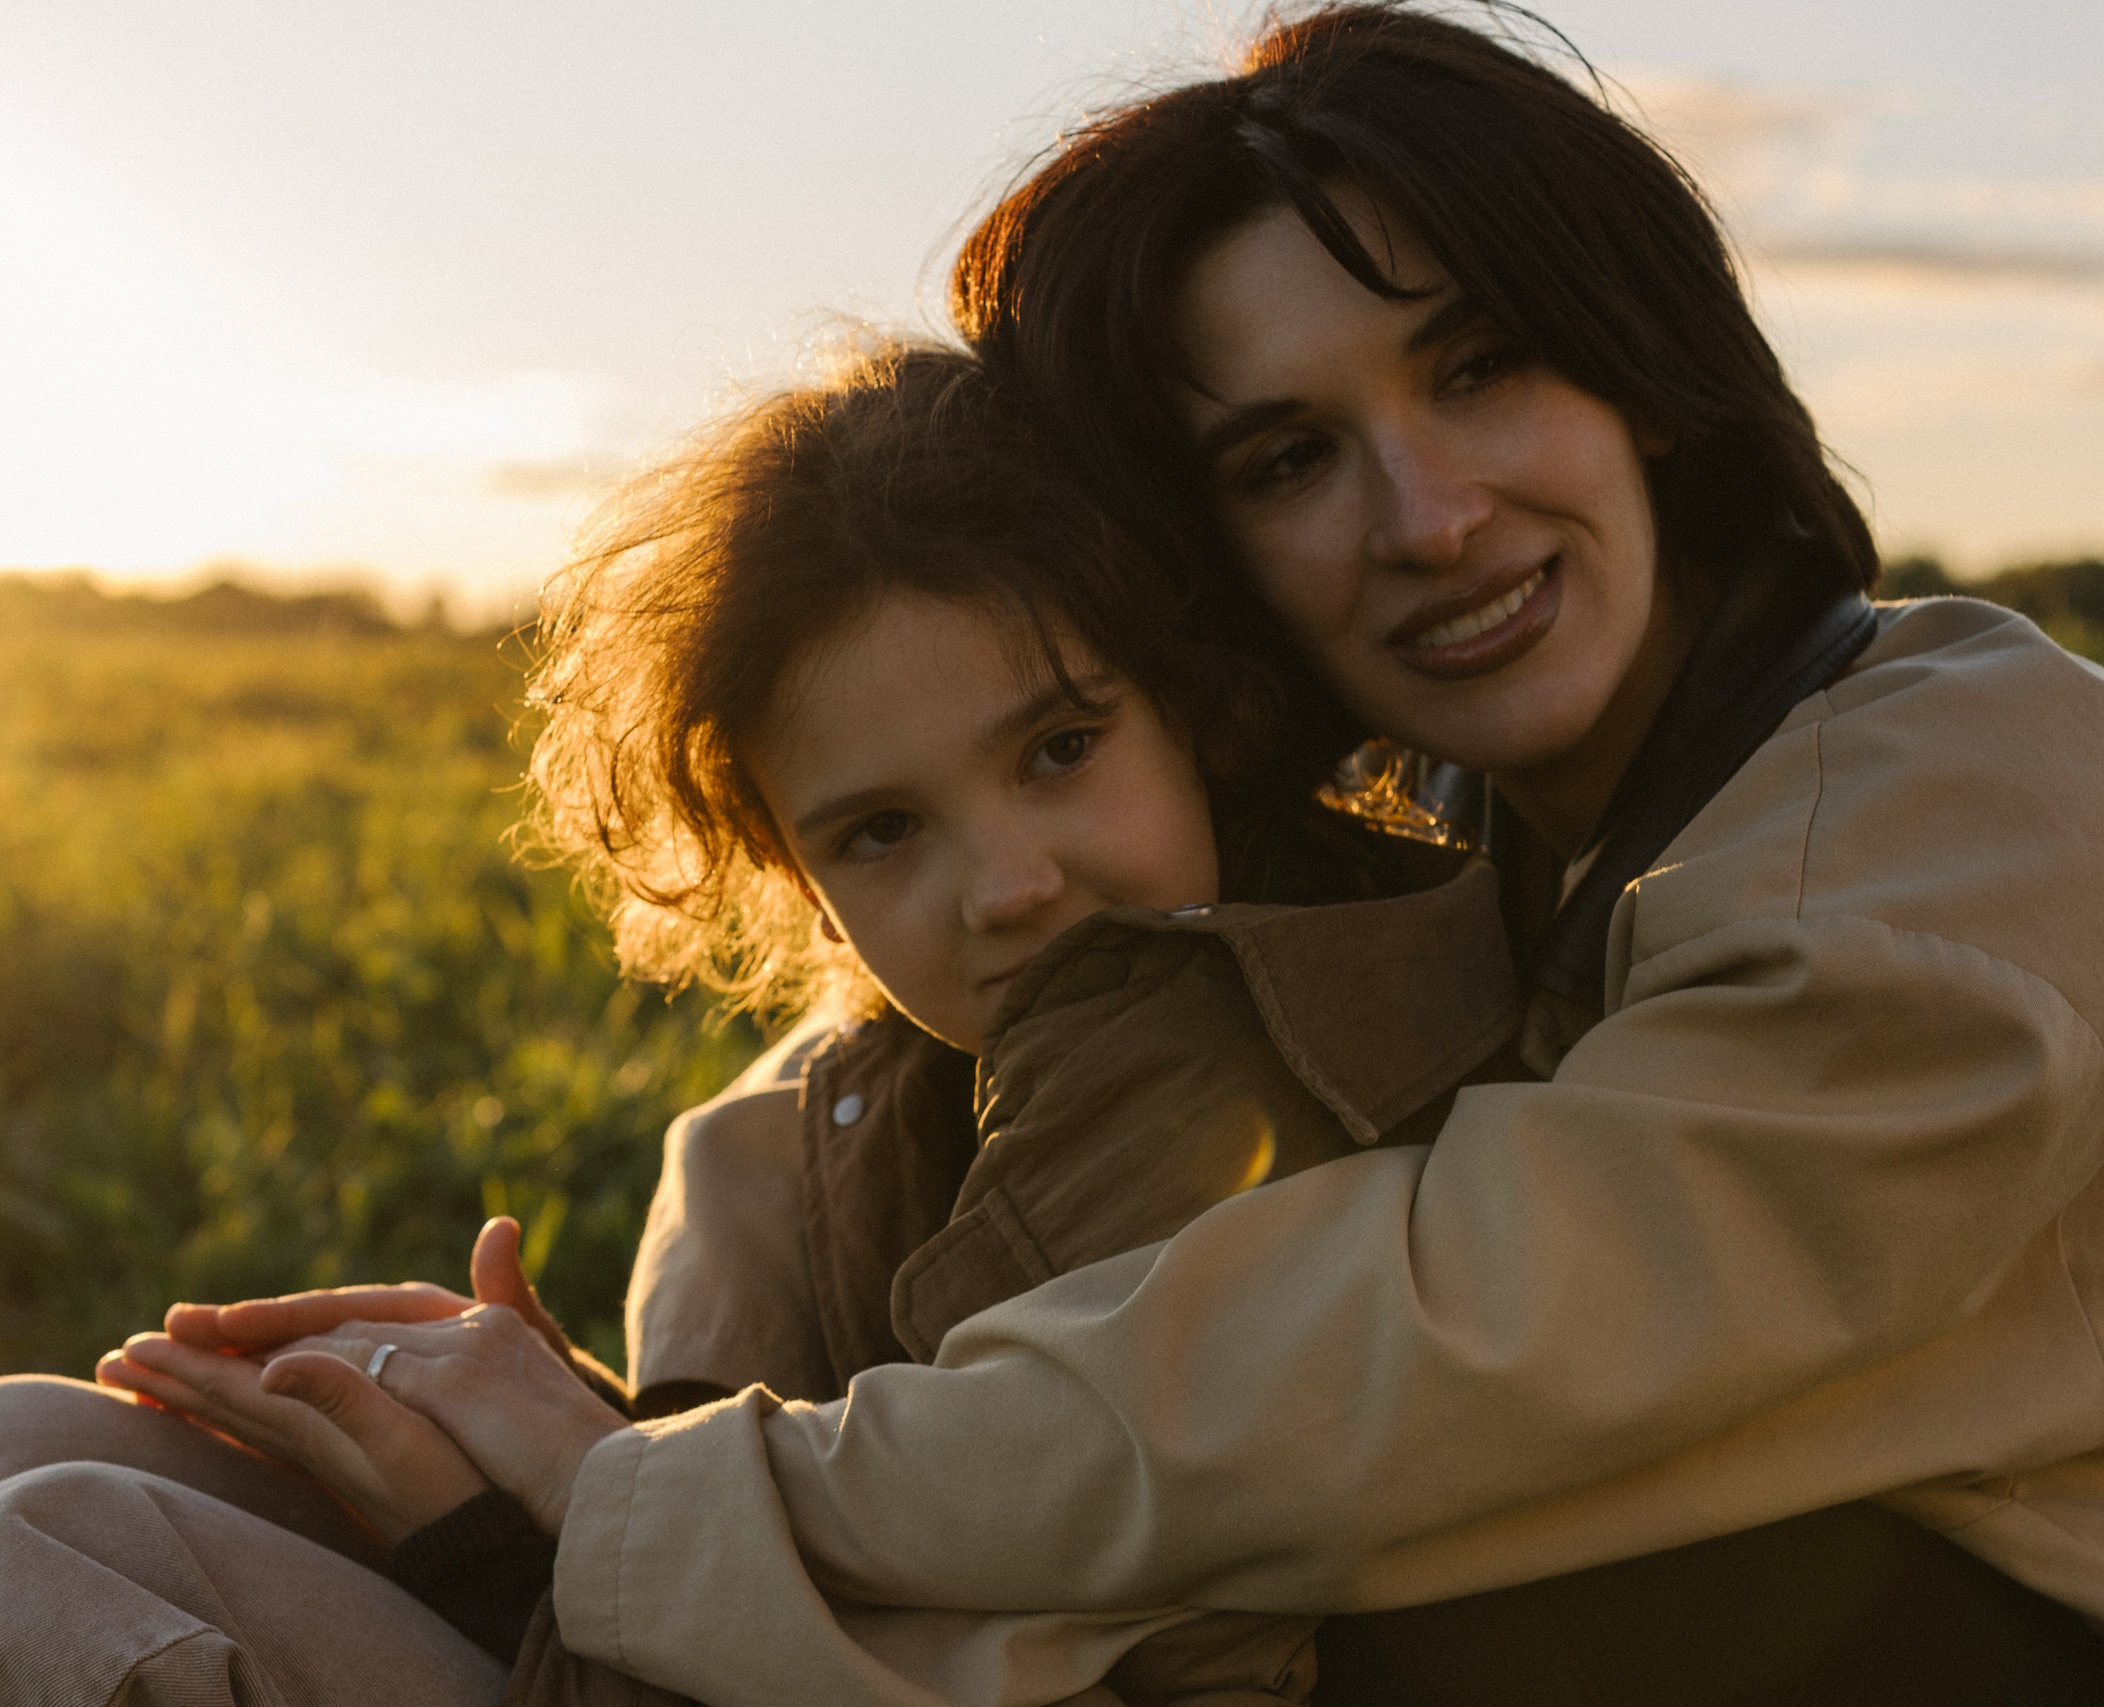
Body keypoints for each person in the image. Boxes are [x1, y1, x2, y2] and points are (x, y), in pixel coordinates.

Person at [217, 8, 2104, 1706]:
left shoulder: (1938, 808)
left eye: (1482, 366)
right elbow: (840, 1068)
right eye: (1287, 459)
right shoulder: (1502, 805)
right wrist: (674, 1373)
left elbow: (1359, 1378)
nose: (1429, 517)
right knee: (25, 1471)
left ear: (1647, 364)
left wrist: (629, 1487)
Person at [0, 340, 1518, 1704]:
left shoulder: (1216, 1088)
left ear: (1194, 708)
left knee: (11, 1560)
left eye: (1060, 747)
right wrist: (584, 1435)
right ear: (795, 864)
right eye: (883, 830)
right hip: (688, 1627)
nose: (1005, 880)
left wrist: (505, 1534)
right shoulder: (920, 1070)